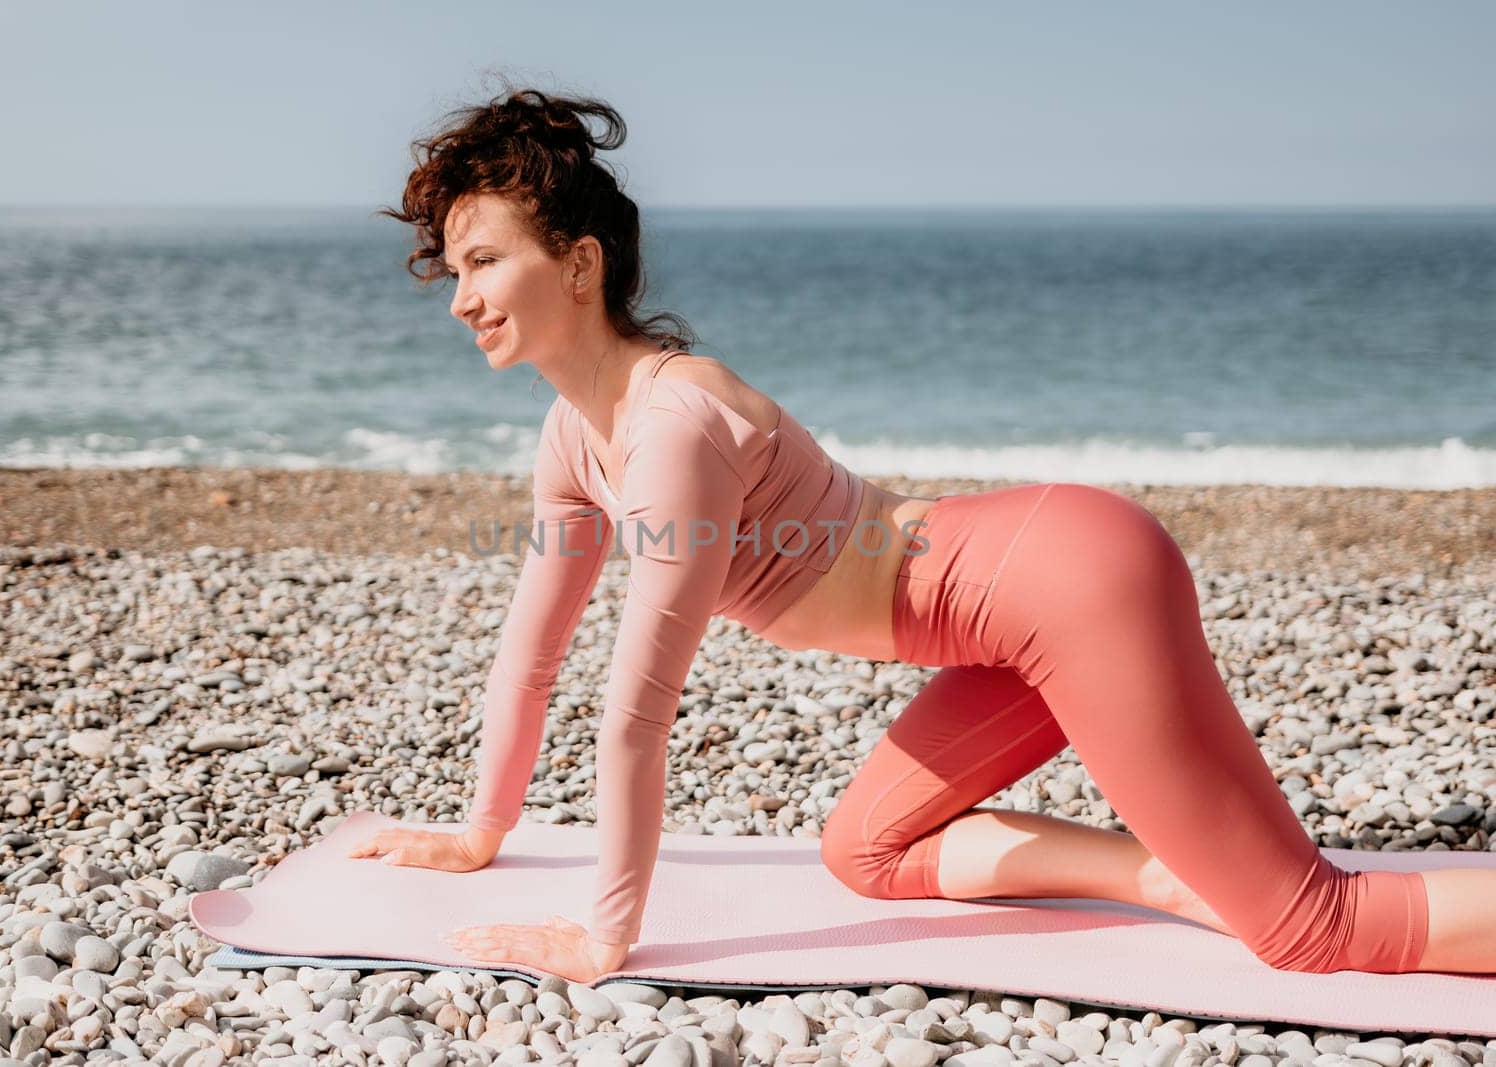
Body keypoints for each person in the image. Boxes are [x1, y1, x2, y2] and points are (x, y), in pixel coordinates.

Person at [350, 85, 1485, 984]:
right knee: (866, 854)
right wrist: (476, 831)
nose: (462, 297)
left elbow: (637, 709)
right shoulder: (572, 437)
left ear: (581, 262)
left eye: (486, 260)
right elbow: (532, 653)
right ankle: (1179, 879)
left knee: (1308, 926)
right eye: (454, 270)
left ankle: (1247, 889)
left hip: (1065, 587)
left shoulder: (671, 431)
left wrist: (607, 934)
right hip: (1003, 623)